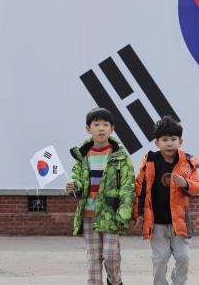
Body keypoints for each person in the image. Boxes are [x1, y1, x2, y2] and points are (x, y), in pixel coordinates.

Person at [66, 107, 135, 285]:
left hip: (111, 214)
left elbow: (128, 187)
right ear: (88, 129)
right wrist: (74, 186)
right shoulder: (82, 156)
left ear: (112, 129)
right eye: (96, 124)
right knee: (93, 259)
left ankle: (115, 280)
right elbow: (78, 181)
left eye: (105, 124)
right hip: (89, 215)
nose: (101, 128)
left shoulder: (120, 157)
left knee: (111, 256)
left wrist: (124, 213)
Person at [131, 116, 199, 285]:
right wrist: (137, 213)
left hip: (180, 221)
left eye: (173, 139)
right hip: (156, 222)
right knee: (160, 258)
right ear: (157, 143)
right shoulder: (150, 162)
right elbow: (140, 188)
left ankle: (178, 282)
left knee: (183, 257)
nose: (169, 144)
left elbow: (197, 186)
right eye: (164, 140)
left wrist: (185, 183)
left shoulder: (187, 162)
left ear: (180, 141)